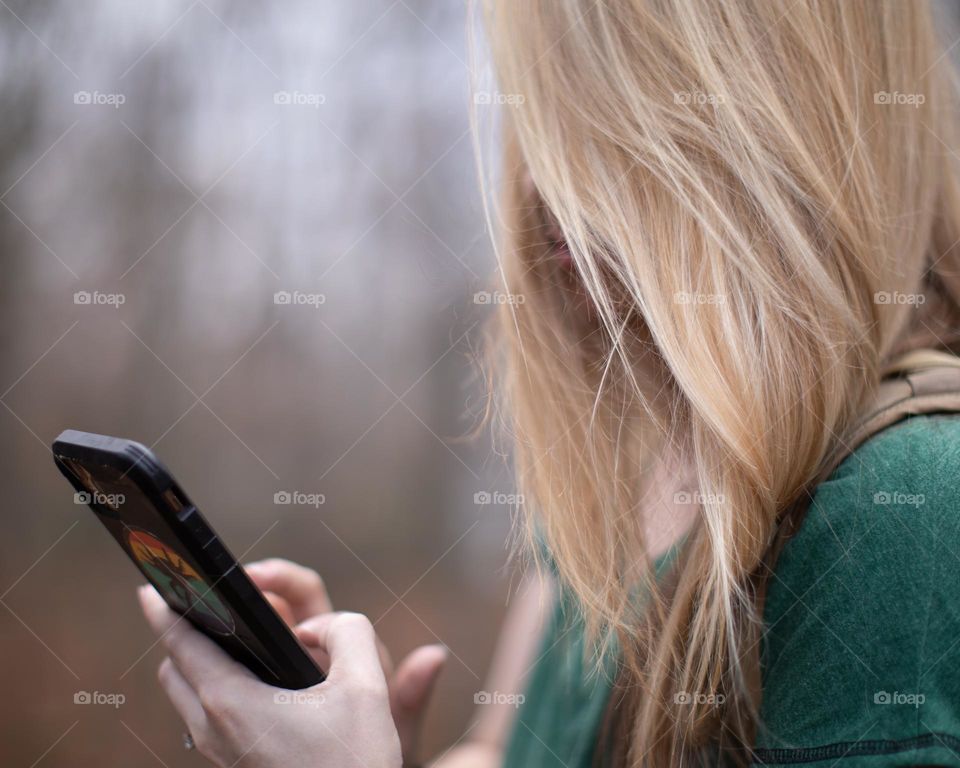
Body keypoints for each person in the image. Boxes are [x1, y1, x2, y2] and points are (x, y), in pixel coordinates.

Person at [139, 0, 960, 764]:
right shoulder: (629, 464)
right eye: (537, 117)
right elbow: (504, 750)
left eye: (599, 115)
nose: (537, 184)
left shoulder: (905, 506)